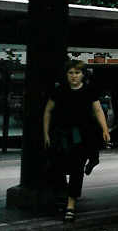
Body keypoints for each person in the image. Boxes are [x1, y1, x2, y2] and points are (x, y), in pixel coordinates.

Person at [43, 60, 110, 222]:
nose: (74, 76)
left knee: (76, 169)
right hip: (62, 134)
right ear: (66, 75)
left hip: (83, 134)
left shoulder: (89, 91)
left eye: (77, 73)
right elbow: (48, 111)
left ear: (83, 75)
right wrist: (46, 134)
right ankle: (64, 196)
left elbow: (98, 110)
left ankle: (71, 205)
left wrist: (105, 129)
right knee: (56, 166)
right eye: (71, 73)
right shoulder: (59, 91)